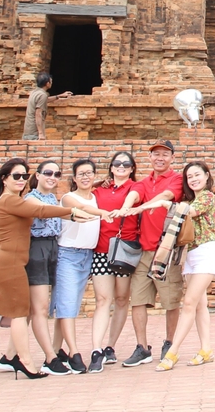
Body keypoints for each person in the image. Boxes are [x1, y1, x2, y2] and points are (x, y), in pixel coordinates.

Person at [0, 158, 95, 381]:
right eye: (16, 176)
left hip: (4, 262)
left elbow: (40, 210)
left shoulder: (14, 200)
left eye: (24, 176)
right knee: (19, 314)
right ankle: (26, 362)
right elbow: (40, 210)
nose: (21, 180)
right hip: (9, 264)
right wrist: (71, 212)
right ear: (4, 179)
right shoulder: (9, 201)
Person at [0, 159, 70, 374]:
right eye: (47, 172)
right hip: (36, 250)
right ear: (37, 175)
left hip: (51, 249)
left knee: (35, 309)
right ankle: (50, 358)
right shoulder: (30, 199)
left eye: (57, 174)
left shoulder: (52, 198)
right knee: (39, 309)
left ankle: (9, 356)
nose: (52, 177)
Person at [117, 138, 184, 366]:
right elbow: (134, 194)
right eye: (156, 154)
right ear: (149, 158)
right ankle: (142, 347)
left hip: (166, 250)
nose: (160, 158)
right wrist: (127, 206)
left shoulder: (176, 179)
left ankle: (169, 343)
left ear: (172, 158)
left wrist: (142, 207)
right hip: (145, 251)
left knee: (170, 301)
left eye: (165, 154)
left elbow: (166, 197)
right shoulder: (144, 182)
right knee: (138, 300)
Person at [156, 161, 215, 371]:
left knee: (189, 303)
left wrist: (168, 204)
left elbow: (188, 213)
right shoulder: (191, 199)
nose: (193, 179)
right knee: (200, 305)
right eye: (189, 177)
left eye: (197, 175)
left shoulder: (208, 197)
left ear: (207, 175)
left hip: (206, 253)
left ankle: (172, 352)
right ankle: (206, 349)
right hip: (191, 255)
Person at [51, 157, 108, 374]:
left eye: (89, 173)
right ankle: (74, 353)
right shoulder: (68, 198)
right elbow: (81, 207)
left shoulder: (95, 197)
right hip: (68, 255)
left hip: (87, 256)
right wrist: (102, 213)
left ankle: (56, 351)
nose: (85, 177)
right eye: (81, 174)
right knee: (67, 306)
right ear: (74, 178)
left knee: (69, 305)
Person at [89, 151, 138, 372]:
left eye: (126, 164)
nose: (121, 166)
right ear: (110, 167)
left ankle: (111, 346)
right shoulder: (99, 190)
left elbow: (133, 201)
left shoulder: (136, 188)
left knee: (120, 299)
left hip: (125, 249)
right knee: (102, 300)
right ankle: (96, 349)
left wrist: (123, 208)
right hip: (101, 250)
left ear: (131, 169)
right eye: (117, 163)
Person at [21, 72, 72, 140]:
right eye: (51, 82)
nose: (51, 83)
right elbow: (38, 114)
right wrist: (41, 134)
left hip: (28, 131)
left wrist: (59, 96)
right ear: (47, 84)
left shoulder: (34, 92)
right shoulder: (42, 95)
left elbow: (45, 100)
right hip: (34, 133)